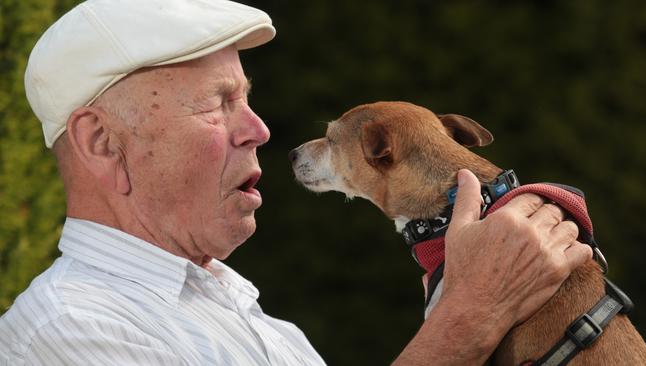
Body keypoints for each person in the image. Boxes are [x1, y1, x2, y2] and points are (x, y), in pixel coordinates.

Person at [0, 0, 592, 365]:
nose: (258, 129)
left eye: (247, 100)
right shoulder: (72, 331)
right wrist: (471, 315)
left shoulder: (242, 311)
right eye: (218, 104)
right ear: (102, 142)